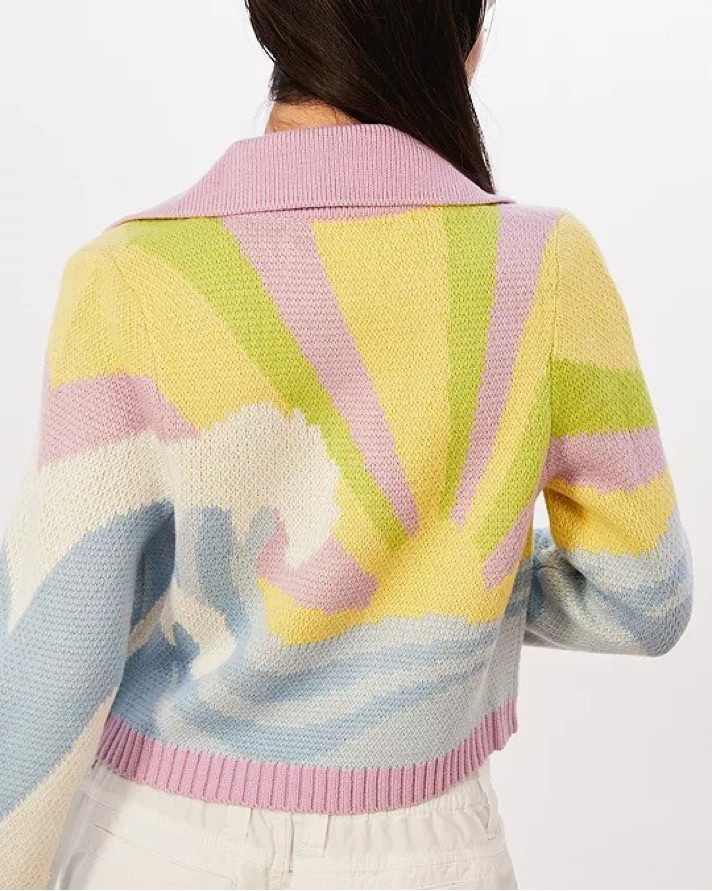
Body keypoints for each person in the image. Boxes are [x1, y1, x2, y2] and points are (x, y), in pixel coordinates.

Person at [0, 1, 693, 888]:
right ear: (463, 41)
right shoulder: (547, 263)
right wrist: (454, 575)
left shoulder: (125, 276)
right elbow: (647, 599)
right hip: (427, 855)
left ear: (275, 25)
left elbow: (54, 650)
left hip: (153, 843)